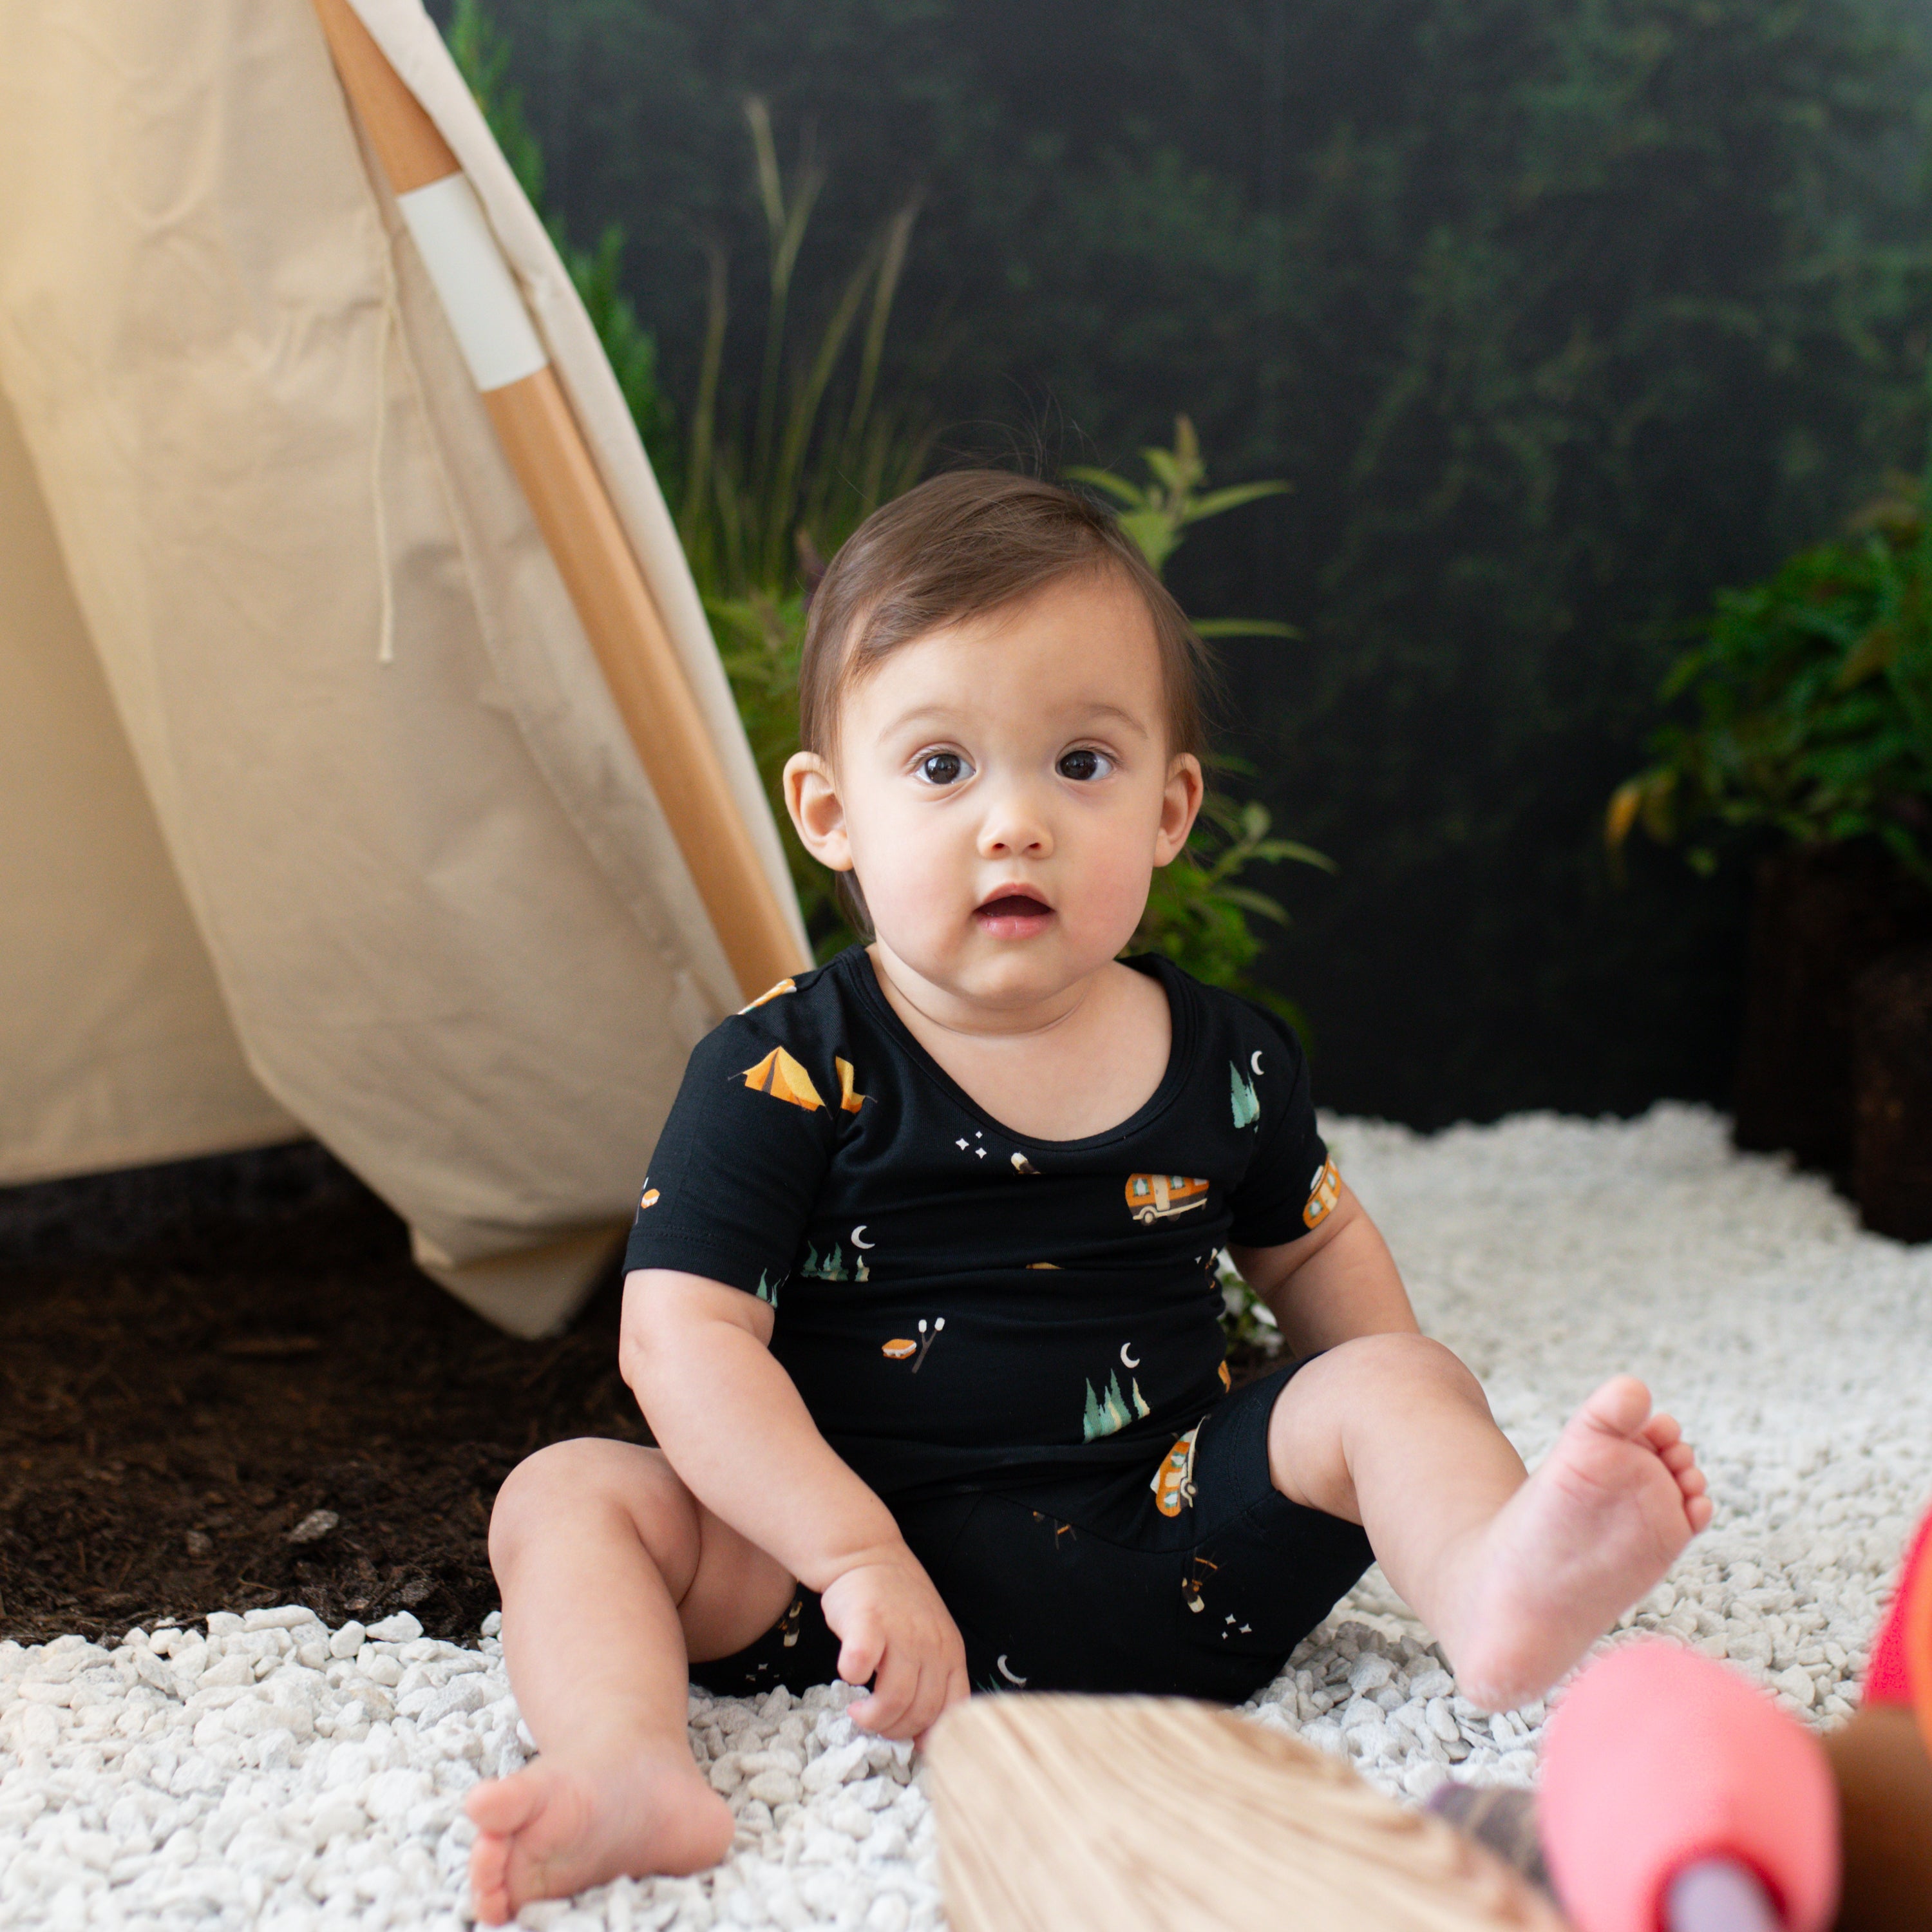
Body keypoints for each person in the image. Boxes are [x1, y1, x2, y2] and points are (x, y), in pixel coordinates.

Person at [464, 469, 1711, 1921]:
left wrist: (1390, 1448)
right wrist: (854, 1553)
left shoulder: (1226, 1058)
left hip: (1170, 1551)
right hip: (835, 1589)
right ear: (830, 813)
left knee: (1393, 1378)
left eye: (1080, 765)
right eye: (941, 768)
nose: (1016, 824)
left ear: (1173, 807)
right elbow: (681, 1345)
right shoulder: (782, 1071)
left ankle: (1492, 1585)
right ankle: (625, 1761)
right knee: (567, 1500)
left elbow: (1320, 1259)